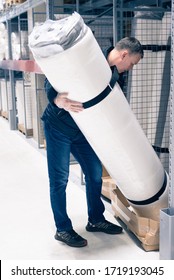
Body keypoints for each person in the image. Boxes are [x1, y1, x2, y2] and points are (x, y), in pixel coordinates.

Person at [42, 37, 144, 248]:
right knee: (59, 179)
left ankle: (95, 219)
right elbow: (51, 77)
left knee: (95, 174)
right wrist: (55, 98)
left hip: (83, 131)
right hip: (58, 126)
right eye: (132, 63)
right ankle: (62, 229)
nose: (130, 68)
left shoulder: (116, 76)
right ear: (124, 55)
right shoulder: (89, 58)